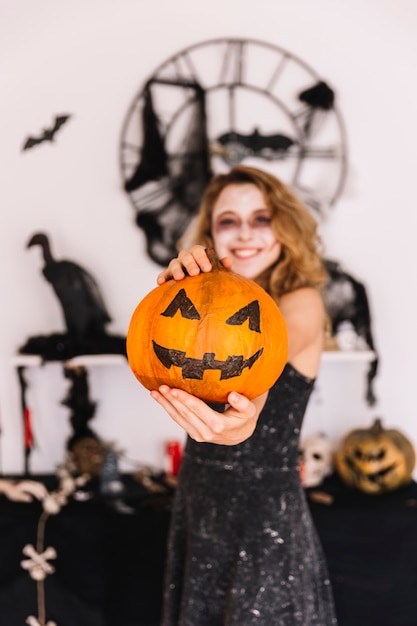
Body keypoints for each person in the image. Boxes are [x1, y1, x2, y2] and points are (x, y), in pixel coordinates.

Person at [151, 165, 338, 625]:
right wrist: (181, 288)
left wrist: (245, 416)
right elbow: (176, 348)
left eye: (260, 217)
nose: (244, 233)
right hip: (198, 501)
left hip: (264, 519)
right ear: (212, 234)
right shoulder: (207, 308)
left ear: (284, 227)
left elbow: (263, 365)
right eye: (228, 220)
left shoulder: (302, 302)